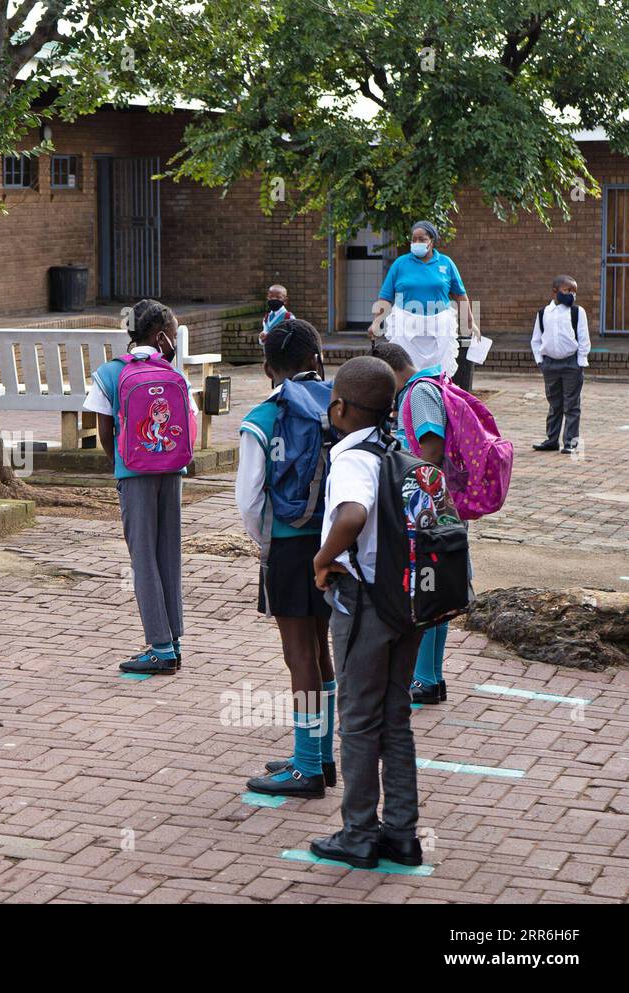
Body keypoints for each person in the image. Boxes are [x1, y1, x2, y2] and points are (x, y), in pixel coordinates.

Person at [310, 356, 423, 870]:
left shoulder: (352, 458)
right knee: (394, 717)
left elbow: (352, 514)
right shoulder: (395, 451)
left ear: (339, 407)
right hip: (406, 604)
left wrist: (322, 557)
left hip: (364, 604)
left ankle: (358, 834)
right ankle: (401, 832)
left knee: (357, 721)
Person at [237, 319, 336, 798]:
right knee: (323, 647)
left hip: (289, 544)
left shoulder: (264, 416)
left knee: (298, 654)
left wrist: (265, 543)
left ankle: (305, 766)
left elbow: (248, 499)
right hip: (338, 542)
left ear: (266, 367)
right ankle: (324, 755)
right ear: (317, 357)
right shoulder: (342, 406)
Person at [83, 299, 185, 675]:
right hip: (172, 471)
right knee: (168, 553)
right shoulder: (172, 372)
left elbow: (104, 430)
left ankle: (159, 647)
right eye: (173, 335)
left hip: (134, 474)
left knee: (143, 559)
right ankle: (173, 638)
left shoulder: (109, 373)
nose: (174, 341)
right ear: (161, 336)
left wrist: (121, 465)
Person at [373, 341, 451, 705]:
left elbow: (431, 448)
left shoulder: (418, 393)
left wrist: (415, 506)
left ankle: (425, 678)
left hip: (425, 507)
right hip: (429, 504)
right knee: (432, 590)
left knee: (424, 592)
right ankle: (429, 678)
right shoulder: (419, 389)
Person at [367, 220, 478, 378]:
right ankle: (405, 400)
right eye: (414, 239)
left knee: (441, 373)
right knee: (403, 370)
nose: (417, 243)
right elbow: (385, 298)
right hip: (405, 325)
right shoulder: (400, 264)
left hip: (440, 325)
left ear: (431, 241)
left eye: (422, 239)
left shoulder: (446, 263)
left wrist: (471, 323)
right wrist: (376, 322)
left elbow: (460, 296)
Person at [531, 275, 590, 454]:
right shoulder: (543, 313)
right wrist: (540, 361)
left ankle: (570, 442)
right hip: (550, 365)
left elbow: (584, 339)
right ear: (555, 291)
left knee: (571, 404)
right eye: (567, 290)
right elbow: (536, 339)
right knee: (554, 403)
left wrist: (580, 362)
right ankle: (552, 440)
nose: (572, 294)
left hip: (571, 364)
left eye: (574, 291)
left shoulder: (577, 312)